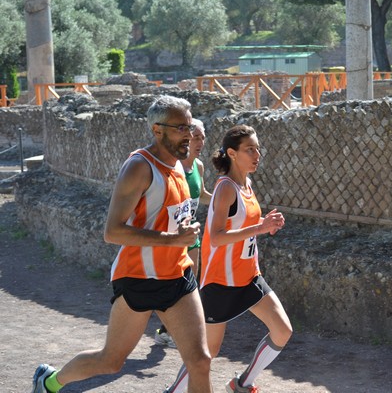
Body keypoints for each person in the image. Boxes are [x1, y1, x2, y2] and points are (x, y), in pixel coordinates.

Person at [31, 95, 213, 393]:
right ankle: (49, 382)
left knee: (200, 361)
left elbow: (169, 214)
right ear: (158, 130)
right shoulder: (139, 167)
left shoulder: (181, 165)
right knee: (111, 361)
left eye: (190, 126)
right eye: (181, 128)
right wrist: (171, 239)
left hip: (178, 275)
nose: (189, 134)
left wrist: (184, 228)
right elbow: (112, 232)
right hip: (138, 278)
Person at [164, 125, 292, 393]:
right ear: (232, 153)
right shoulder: (225, 188)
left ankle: (242, 384)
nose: (257, 154)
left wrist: (266, 225)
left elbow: (244, 226)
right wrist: (259, 227)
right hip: (221, 283)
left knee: (283, 330)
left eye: (257, 148)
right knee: (206, 354)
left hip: (249, 276)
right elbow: (218, 236)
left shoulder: (247, 183)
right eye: (250, 149)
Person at [154, 118, 213, 349]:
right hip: (170, 234)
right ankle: (168, 329)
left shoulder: (198, 166)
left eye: (203, 137)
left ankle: (171, 331)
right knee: (171, 282)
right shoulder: (173, 166)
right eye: (196, 136)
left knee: (190, 281)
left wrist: (226, 198)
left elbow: (203, 194)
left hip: (191, 232)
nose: (200, 142)